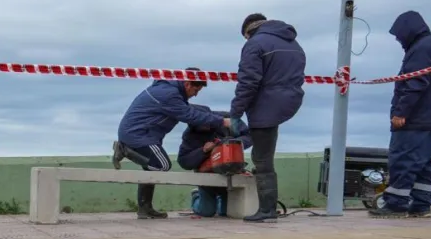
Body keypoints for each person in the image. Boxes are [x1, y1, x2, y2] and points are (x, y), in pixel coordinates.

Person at [112, 68, 240, 219]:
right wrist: (222, 121)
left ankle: (144, 208)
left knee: (150, 168)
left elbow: (191, 110)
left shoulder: (169, 91)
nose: (196, 95)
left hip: (144, 134)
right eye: (196, 90)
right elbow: (189, 115)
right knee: (162, 165)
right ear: (187, 84)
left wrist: (216, 116)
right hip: (138, 135)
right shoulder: (169, 94)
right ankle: (124, 150)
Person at [229, 13, 307, 223]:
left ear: (248, 31)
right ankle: (267, 207)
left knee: (262, 159)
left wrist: (235, 113)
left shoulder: (254, 44)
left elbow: (248, 82)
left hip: (267, 103)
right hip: (290, 100)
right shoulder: (293, 43)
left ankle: (267, 210)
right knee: (265, 151)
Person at [370, 10, 431, 218]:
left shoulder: (421, 49)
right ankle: (421, 205)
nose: (398, 39)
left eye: (398, 35)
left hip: (414, 121)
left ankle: (396, 204)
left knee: (403, 161)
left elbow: (415, 83)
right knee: (423, 165)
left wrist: (401, 112)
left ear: (408, 30)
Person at [177, 106, 252, 217]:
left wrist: (227, 145)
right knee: (206, 212)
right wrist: (203, 151)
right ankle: (196, 196)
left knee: (226, 212)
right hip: (207, 173)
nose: (205, 126)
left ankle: (220, 202)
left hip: (230, 171)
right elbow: (184, 161)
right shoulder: (189, 135)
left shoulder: (227, 119)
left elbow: (249, 136)